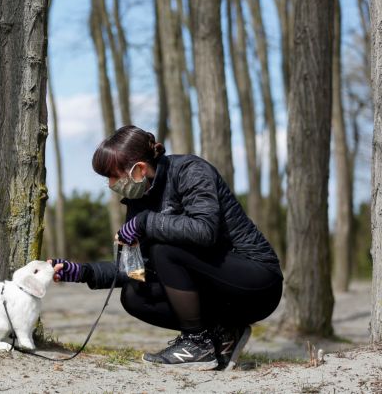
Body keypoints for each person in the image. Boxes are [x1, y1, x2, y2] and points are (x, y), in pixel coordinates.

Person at [49, 125, 283, 369]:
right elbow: (137, 269)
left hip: (257, 281)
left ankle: (196, 344)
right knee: (134, 295)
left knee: (164, 248)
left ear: (138, 169)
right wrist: (82, 272)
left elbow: (204, 230)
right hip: (216, 292)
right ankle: (220, 334)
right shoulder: (138, 200)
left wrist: (145, 222)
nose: (110, 184)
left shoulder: (190, 170)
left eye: (113, 175)